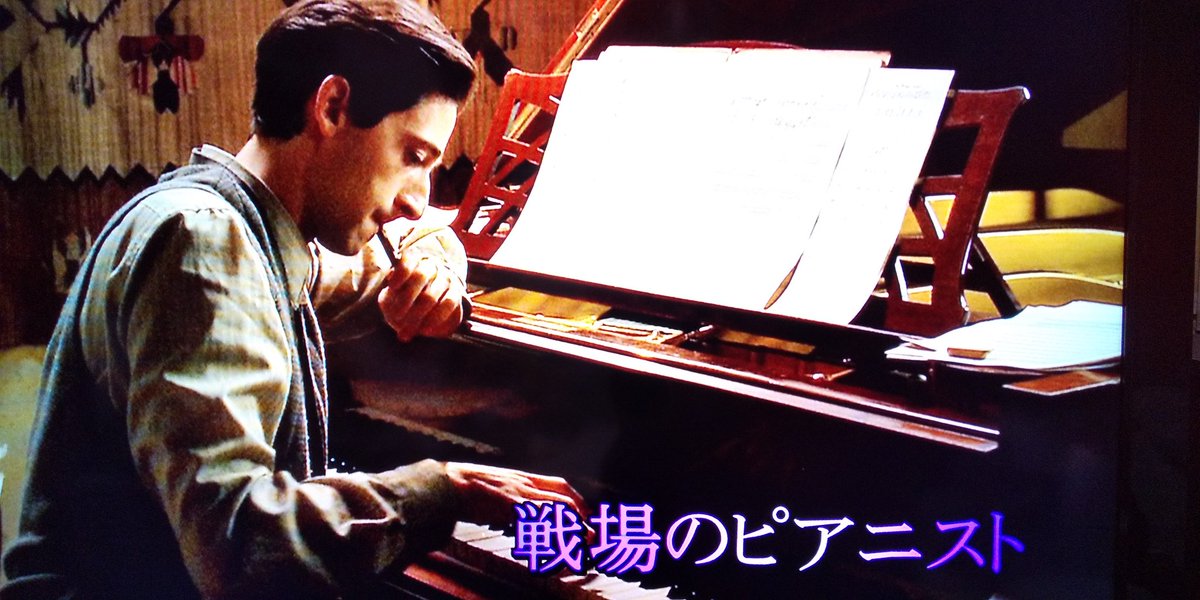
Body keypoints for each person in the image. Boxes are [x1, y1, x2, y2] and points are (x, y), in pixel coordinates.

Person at [1, 1, 585, 598]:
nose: (416, 199)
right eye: (413, 156)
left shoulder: (254, 232)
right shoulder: (204, 242)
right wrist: (446, 491)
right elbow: (239, 546)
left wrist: (437, 266)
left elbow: (427, 232)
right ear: (331, 107)